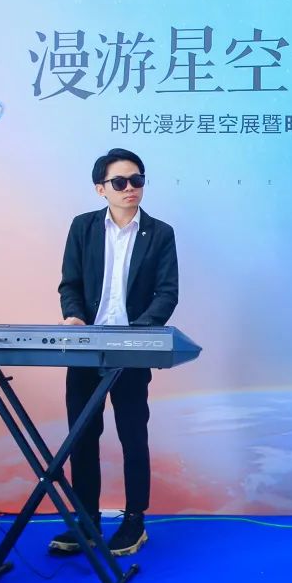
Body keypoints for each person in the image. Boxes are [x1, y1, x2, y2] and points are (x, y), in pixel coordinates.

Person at [49, 147, 179, 557]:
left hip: (131, 350)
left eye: (137, 180)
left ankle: (134, 520)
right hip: (86, 347)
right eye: (119, 182)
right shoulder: (83, 227)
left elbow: (167, 294)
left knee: (132, 434)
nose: (130, 188)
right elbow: (70, 284)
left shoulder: (160, 233)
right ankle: (86, 521)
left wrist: (135, 335)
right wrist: (73, 317)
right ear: (100, 188)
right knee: (83, 435)